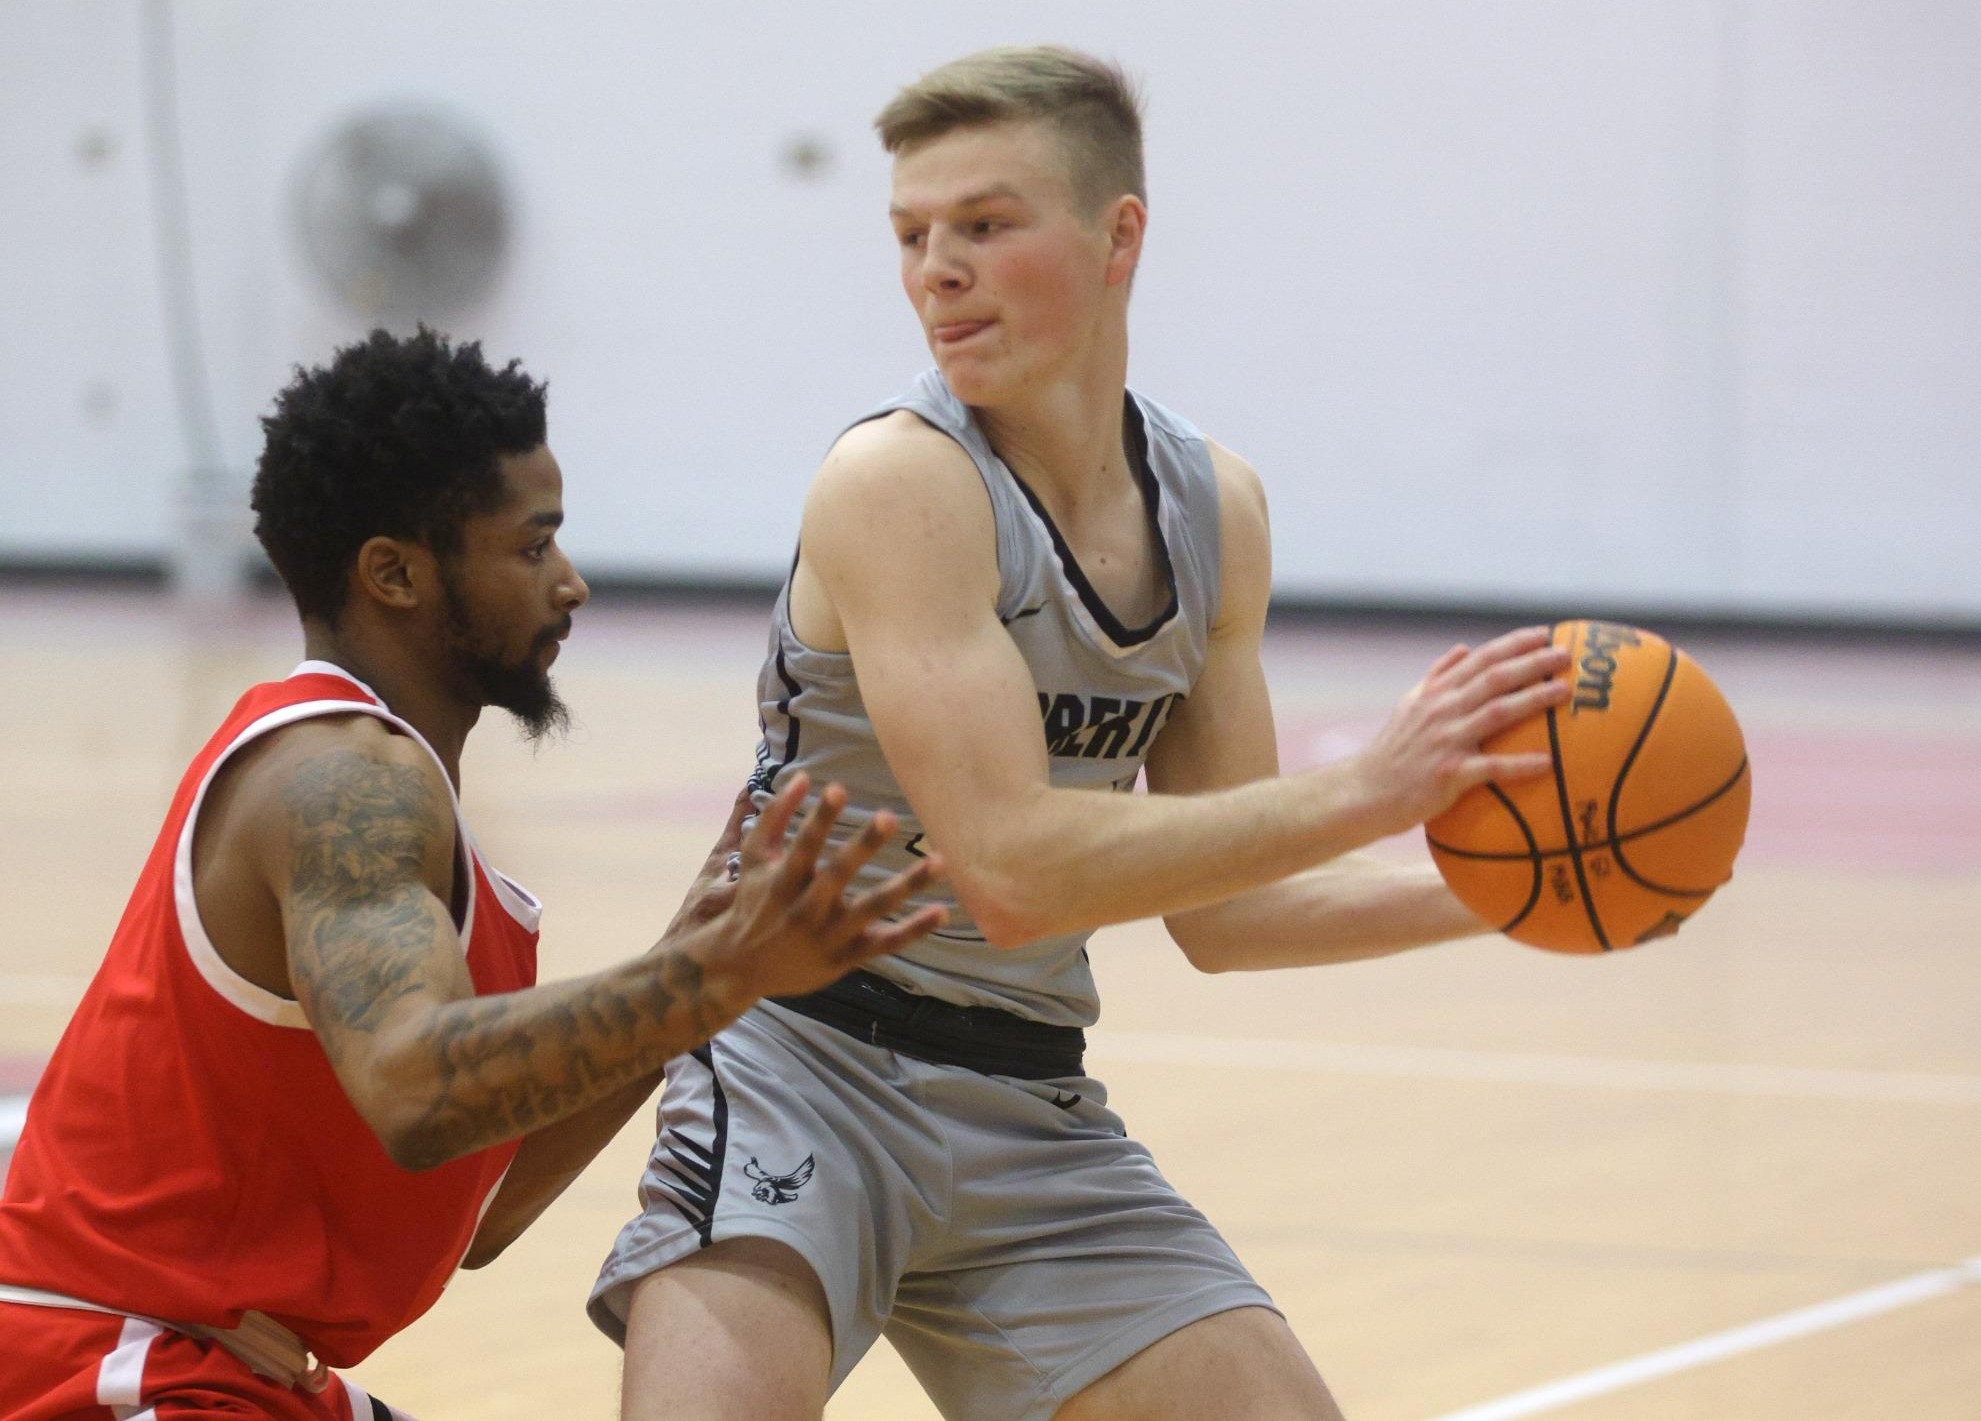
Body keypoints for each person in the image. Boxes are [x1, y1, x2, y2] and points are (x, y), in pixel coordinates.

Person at [591, 47, 1575, 1421]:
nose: (937, 268)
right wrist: (1372, 787)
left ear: (1122, 235)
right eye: (912, 235)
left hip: (1027, 1100)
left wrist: (1509, 890)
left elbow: (1231, 915)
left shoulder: (1214, 510)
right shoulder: (897, 482)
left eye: (985, 226)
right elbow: (1010, 867)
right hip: (801, 1068)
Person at [0, 328, 943, 1421]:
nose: (572, 582)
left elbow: (477, 1207)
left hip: (233, 1364)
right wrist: (714, 975)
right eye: (531, 547)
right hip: (99, 1369)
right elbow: (418, 1086)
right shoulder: (342, 778)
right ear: (393, 572)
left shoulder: (386, 786)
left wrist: (695, 954)